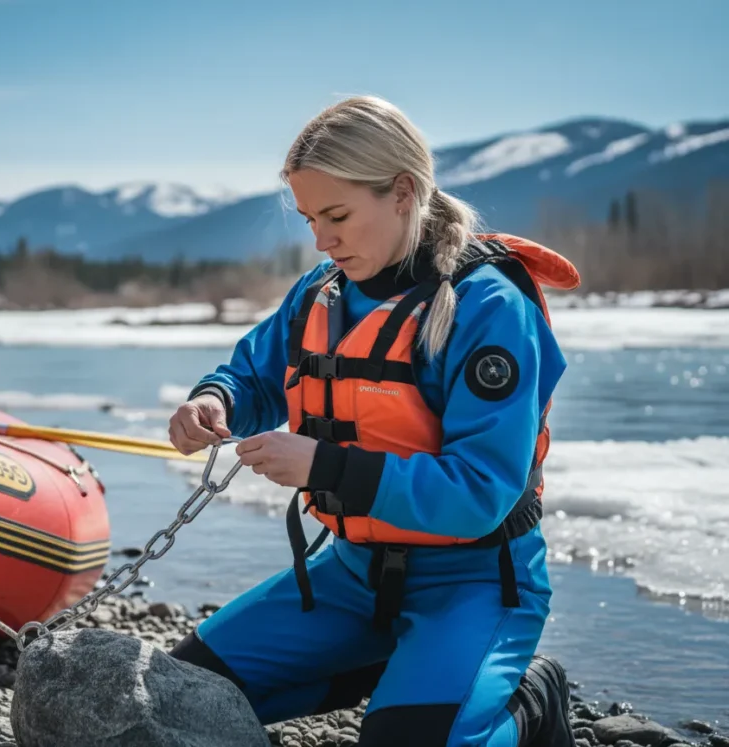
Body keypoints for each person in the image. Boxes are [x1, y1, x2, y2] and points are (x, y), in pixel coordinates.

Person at [166, 94, 582, 746]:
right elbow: (254, 372)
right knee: (177, 696)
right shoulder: (321, 290)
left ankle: (530, 702)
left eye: (336, 215)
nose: (321, 239)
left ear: (402, 192)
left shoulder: (489, 305)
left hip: (473, 583)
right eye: (308, 219)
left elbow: (480, 493)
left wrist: (324, 465)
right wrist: (214, 399)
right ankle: (405, 672)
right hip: (353, 576)